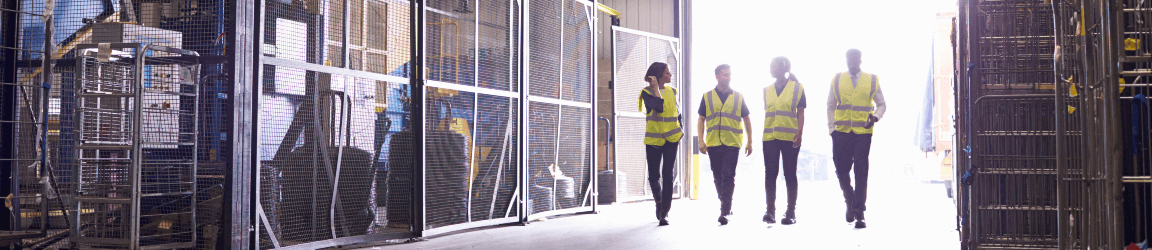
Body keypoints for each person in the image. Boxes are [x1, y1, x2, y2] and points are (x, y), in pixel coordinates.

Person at [827, 49, 886, 229]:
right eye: (848, 59)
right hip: (841, 133)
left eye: (854, 59)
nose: (851, 62)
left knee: (861, 171)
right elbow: (830, 106)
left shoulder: (872, 80)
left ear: (860, 60)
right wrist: (832, 129)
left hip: (863, 132)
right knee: (841, 170)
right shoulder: (837, 79)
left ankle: (859, 212)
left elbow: (882, 104)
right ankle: (850, 200)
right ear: (845, 60)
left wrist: (875, 117)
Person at [697, 64, 754, 225]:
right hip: (714, 142)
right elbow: (701, 119)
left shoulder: (738, 97)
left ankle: (725, 211)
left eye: (729, 75)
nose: (727, 77)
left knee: (728, 175)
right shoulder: (707, 97)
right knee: (717, 176)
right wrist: (701, 140)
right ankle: (726, 204)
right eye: (724, 75)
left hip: (732, 143)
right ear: (717, 76)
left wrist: (749, 142)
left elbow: (747, 119)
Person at [761, 57, 805, 225]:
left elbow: (801, 112)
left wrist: (800, 132)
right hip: (770, 137)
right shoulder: (766, 90)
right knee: (770, 174)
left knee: (789, 174)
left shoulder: (798, 88)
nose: (770, 69)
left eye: (773, 66)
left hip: (790, 137)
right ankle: (770, 212)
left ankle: (790, 213)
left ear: (782, 68)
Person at [639, 62, 682, 226]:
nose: (670, 75)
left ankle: (665, 212)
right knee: (654, 177)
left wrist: (681, 129)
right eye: (667, 73)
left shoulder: (673, 91)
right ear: (657, 76)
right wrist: (656, 87)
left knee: (667, 174)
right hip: (654, 139)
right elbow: (659, 107)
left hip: (672, 138)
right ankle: (659, 201)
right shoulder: (646, 93)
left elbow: (677, 112)